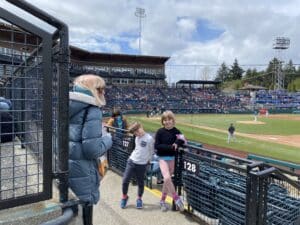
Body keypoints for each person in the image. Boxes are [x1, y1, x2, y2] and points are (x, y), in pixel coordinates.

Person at [69, 74, 112, 225]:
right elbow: (92, 150)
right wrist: (108, 139)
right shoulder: (92, 110)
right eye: (100, 89)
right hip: (83, 173)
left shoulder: (68, 105)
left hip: (69, 169)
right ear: (92, 90)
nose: (103, 93)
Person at [154, 110, 185, 212]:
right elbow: (157, 146)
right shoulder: (159, 131)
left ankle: (162, 201)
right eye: (165, 120)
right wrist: (171, 147)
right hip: (162, 158)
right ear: (162, 121)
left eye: (169, 119)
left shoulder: (176, 131)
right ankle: (176, 198)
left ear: (173, 120)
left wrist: (177, 142)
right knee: (167, 178)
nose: (167, 122)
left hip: (172, 160)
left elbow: (182, 139)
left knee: (167, 182)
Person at [120, 122, 154, 209]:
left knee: (140, 183)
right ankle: (124, 197)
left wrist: (148, 160)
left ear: (141, 126)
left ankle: (139, 199)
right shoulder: (136, 138)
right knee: (125, 180)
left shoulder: (149, 139)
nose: (137, 134)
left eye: (137, 131)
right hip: (132, 161)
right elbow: (137, 148)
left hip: (142, 164)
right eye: (135, 133)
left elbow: (151, 151)